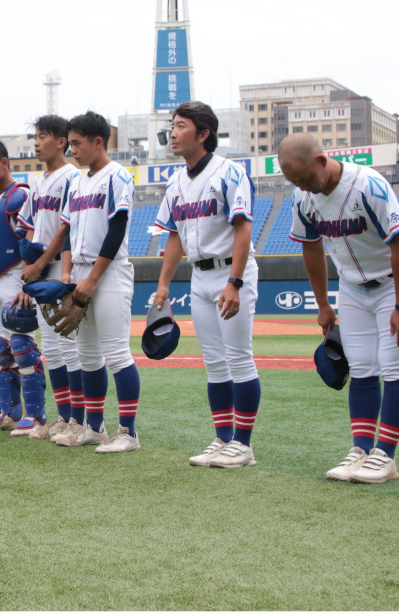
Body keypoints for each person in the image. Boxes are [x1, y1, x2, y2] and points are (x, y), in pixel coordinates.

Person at [280, 133, 399, 484]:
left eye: (305, 178)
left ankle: (385, 455)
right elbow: (311, 247)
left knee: (395, 367)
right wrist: (323, 304)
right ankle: (361, 449)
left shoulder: (368, 186)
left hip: (395, 282)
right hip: (351, 286)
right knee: (361, 367)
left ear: (322, 160)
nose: (303, 187)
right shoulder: (302, 197)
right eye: (295, 182)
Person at [153, 101, 261, 468]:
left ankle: (243, 445)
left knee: (239, 358)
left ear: (203, 134)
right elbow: (174, 236)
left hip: (231, 272)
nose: (172, 133)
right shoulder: (175, 182)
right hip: (199, 276)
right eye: (172, 125)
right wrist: (164, 284)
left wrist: (235, 282)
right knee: (215, 363)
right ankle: (223, 438)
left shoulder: (229, 173)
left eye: (181, 126)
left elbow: (243, 228)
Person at [45, 111, 143, 453]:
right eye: (70, 143)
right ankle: (95, 427)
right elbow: (69, 232)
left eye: (77, 143)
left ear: (98, 141)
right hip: (80, 272)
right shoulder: (76, 183)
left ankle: (128, 432)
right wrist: (68, 275)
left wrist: (93, 278)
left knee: (117, 353)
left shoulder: (117, 176)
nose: (72, 150)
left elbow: (117, 229)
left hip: (109, 273)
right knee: (87, 356)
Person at [18, 115, 84, 440]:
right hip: (41, 269)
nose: (36, 142)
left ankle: (80, 420)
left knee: (70, 348)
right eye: (35, 137)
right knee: (53, 350)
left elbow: (66, 228)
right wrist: (29, 267)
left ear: (61, 141)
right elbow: (31, 226)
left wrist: (42, 264)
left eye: (42, 136)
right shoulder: (36, 182)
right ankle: (64, 416)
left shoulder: (72, 177)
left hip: (61, 266)